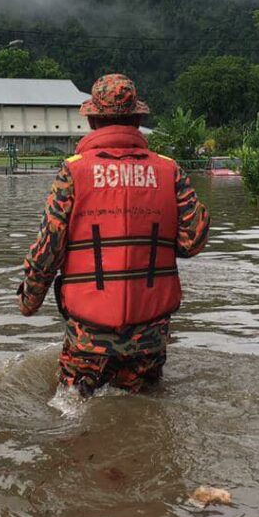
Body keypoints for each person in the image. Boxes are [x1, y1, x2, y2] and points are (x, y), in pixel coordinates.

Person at [17, 73, 210, 396]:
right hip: (149, 338)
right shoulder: (169, 170)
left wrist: (29, 301)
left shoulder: (73, 171)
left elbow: (48, 250)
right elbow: (193, 241)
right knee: (147, 418)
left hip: (89, 337)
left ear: (92, 121)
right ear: (137, 119)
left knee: (73, 420)